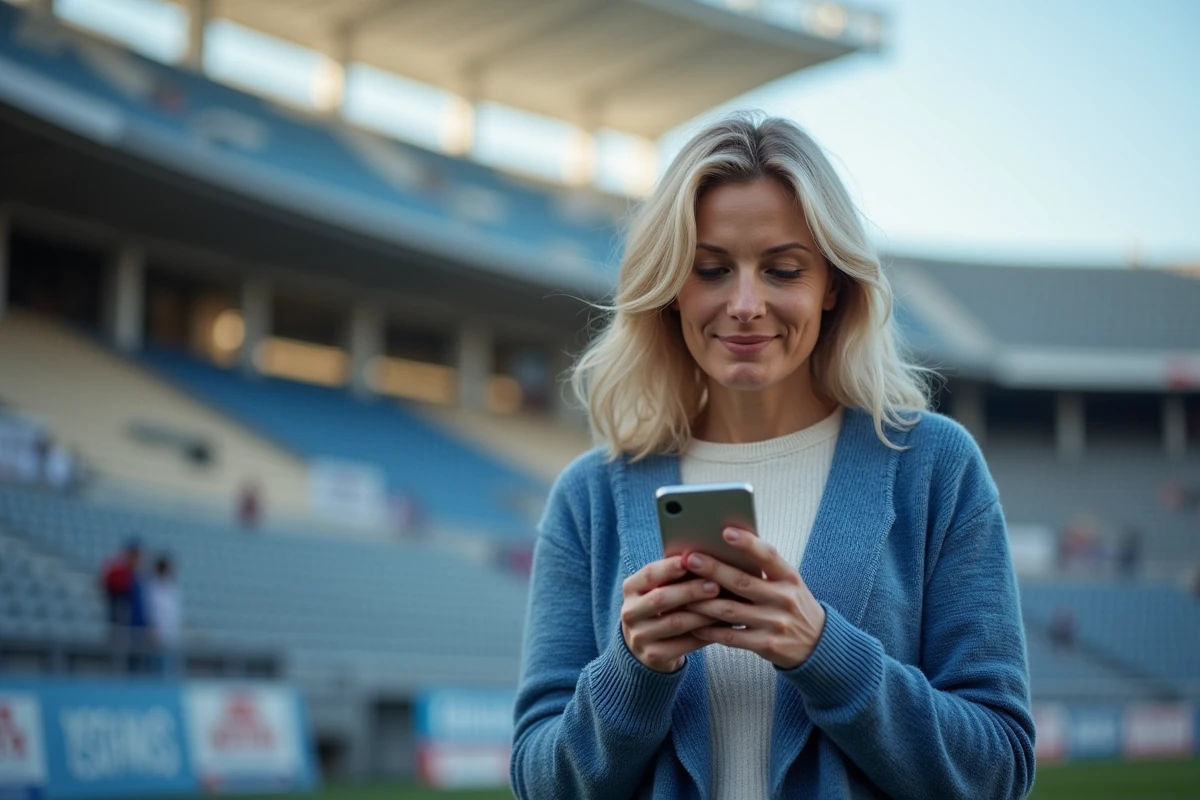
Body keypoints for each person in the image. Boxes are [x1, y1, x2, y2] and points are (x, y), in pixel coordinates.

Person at [511, 114, 1035, 799]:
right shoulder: (590, 495)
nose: (747, 304)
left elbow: (999, 769)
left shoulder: (934, 467)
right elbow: (537, 781)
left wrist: (825, 651)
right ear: (671, 288)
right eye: (711, 270)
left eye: (783, 269)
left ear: (834, 287)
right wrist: (631, 673)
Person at [146, 554, 183, 678]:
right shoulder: (152, 588)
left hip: (171, 635)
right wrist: (153, 631)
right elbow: (152, 612)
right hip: (157, 636)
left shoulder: (172, 587)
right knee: (156, 670)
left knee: (170, 670)